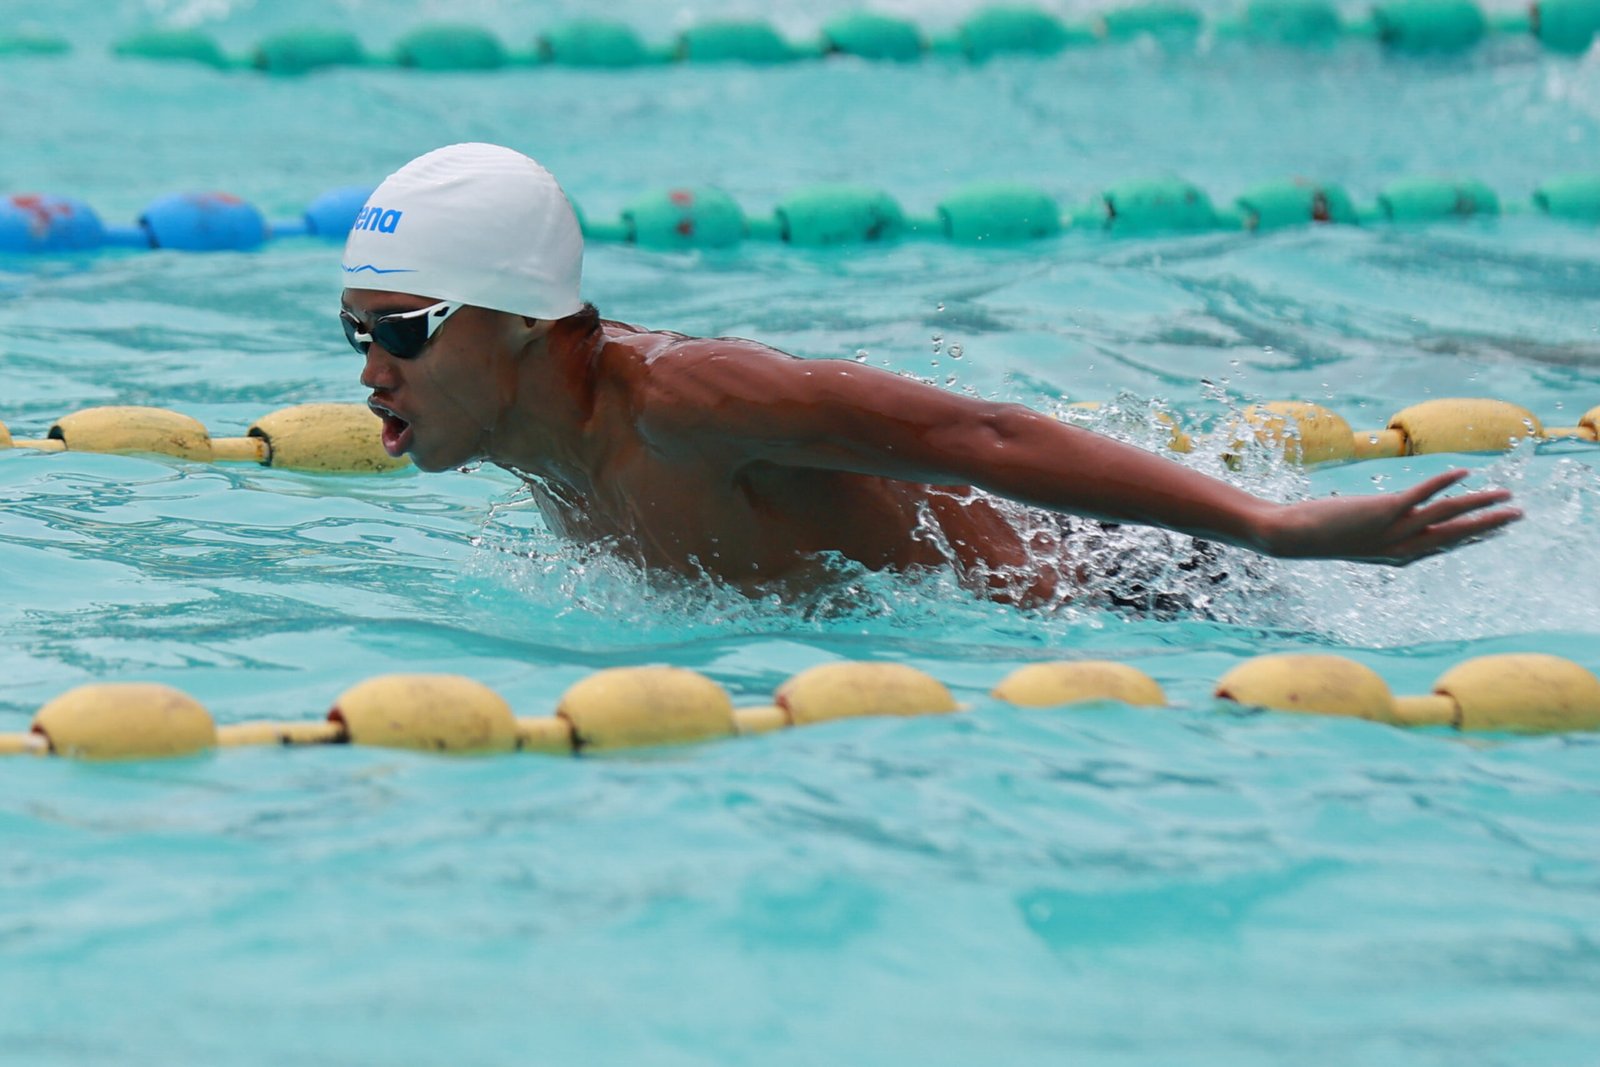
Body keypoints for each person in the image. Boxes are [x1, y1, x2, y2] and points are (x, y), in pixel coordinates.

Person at [340, 143, 1520, 606]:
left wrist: (1272, 524)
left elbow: (985, 438)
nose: (374, 372)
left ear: (522, 325)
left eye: (403, 331)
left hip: (1130, 593)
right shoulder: (532, 440)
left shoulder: (688, 402)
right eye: (356, 337)